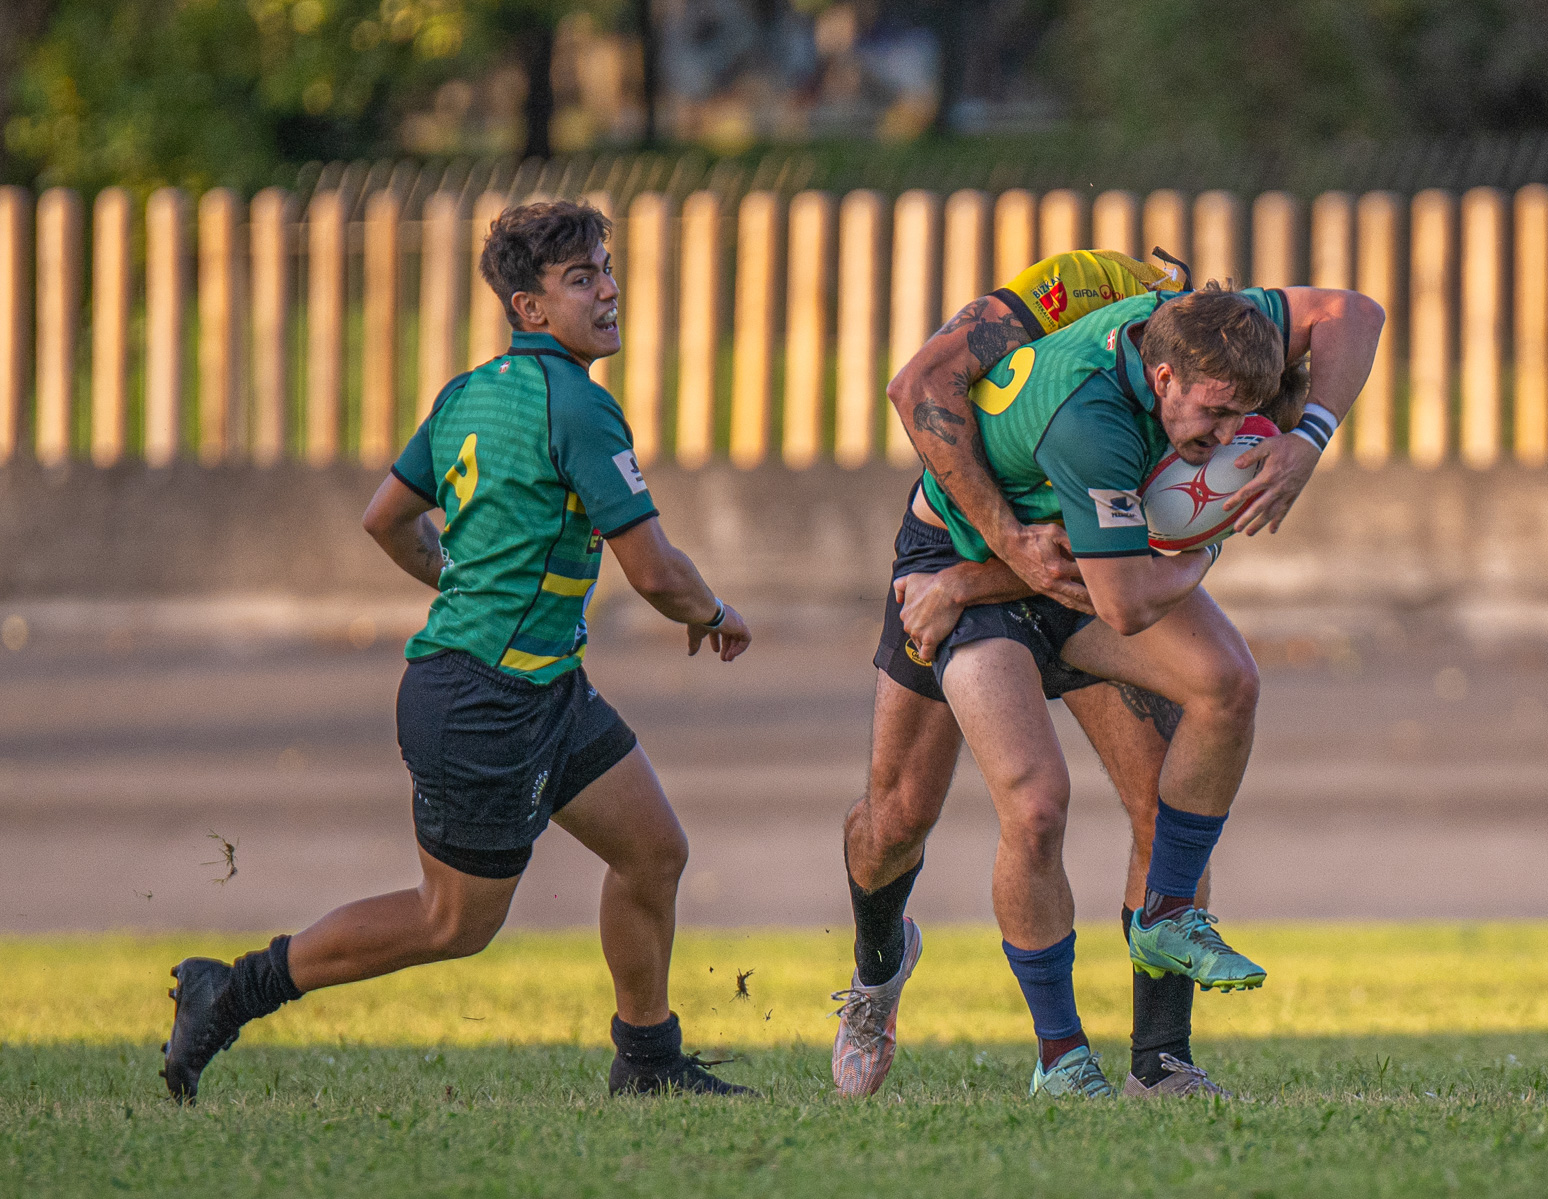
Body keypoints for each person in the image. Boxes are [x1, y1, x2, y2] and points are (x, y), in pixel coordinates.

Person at [160, 201, 755, 1103]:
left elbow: (386, 519)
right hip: (484, 699)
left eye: (606, 268)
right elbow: (655, 572)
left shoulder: (467, 394)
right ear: (529, 307)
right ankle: (231, 990)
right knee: (453, 922)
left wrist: (461, 581)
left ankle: (647, 1059)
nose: (608, 289)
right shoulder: (579, 407)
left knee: (652, 850)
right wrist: (714, 612)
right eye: (582, 278)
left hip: (541, 686)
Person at [834, 250, 1384, 1099]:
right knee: (908, 816)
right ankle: (880, 971)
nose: (1229, 438)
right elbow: (920, 387)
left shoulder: (1221, 338)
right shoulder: (1083, 360)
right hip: (967, 555)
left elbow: (1353, 311)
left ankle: (1158, 1055)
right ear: (1163, 367)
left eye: (1243, 420)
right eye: (1217, 416)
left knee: (1197, 732)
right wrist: (1004, 552)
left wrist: (1306, 439)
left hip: (1088, 560)